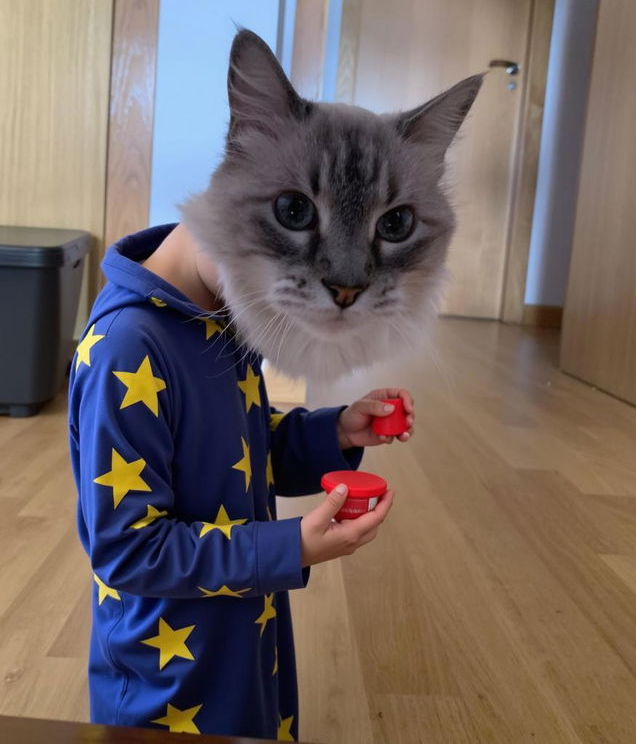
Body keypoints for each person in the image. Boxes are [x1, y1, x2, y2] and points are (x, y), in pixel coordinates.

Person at [68, 220, 414, 740]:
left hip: (243, 628)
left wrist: (337, 432)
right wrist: (290, 546)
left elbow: (246, 443)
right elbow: (128, 550)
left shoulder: (220, 311)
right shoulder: (125, 347)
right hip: (167, 679)